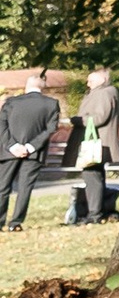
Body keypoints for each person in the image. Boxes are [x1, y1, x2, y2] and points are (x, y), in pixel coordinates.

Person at [1, 71, 63, 234]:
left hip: (9, 152)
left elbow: (2, 126)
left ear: (27, 85)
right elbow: (51, 129)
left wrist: (12, 145)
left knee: (2, 187)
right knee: (25, 188)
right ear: (43, 87)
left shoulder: (11, 102)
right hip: (34, 153)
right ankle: (15, 222)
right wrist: (30, 147)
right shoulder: (51, 104)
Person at [66, 67, 119, 224]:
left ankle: (94, 214)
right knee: (96, 176)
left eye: (91, 80)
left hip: (96, 143)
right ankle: (99, 211)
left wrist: (78, 120)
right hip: (99, 142)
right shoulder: (105, 92)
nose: (87, 83)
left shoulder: (104, 93)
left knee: (92, 177)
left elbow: (99, 117)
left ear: (102, 80)